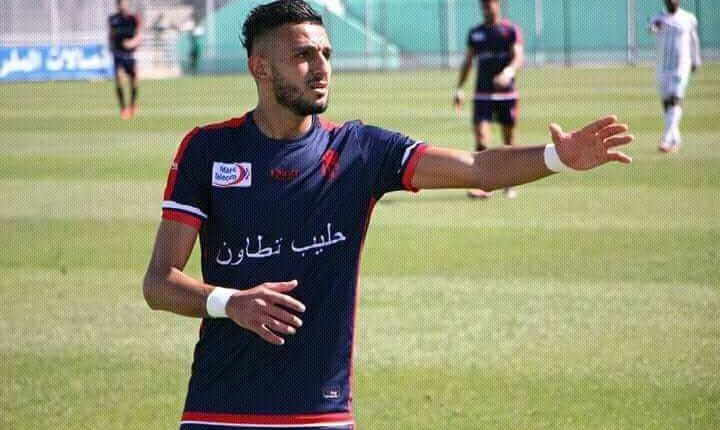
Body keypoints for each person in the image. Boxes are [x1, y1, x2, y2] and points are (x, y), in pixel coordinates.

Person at [142, 1, 633, 429]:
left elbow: (477, 168)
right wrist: (230, 302)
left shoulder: (359, 151)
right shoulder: (208, 150)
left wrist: (556, 157)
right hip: (219, 410)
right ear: (261, 68)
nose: (321, 68)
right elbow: (159, 282)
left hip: (320, 414)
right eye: (303, 55)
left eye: (326, 54)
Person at [453, 0, 524, 199]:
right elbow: (468, 62)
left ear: (498, 4)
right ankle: (483, 185)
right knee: (481, 139)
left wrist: (507, 73)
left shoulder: (510, 31)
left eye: (489, 3)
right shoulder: (475, 33)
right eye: (483, 4)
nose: (486, 7)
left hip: (506, 95)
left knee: (508, 142)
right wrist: (459, 88)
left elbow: (518, 57)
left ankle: (509, 183)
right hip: (482, 95)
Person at [650, 0, 701, 153]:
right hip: (662, 68)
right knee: (667, 104)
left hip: (681, 66)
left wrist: (695, 60)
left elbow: (693, 39)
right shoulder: (658, 17)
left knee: (674, 99)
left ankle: (666, 139)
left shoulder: (688, 18)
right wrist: (655, 27)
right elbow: (652, 28)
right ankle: (675, 139)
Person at [108, 0, 142, 120]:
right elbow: (111, 35)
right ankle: (123, 108)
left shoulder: (133, 18)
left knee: (134, 81)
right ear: (117, 5)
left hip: (130, 55)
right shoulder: (113, 19)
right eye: (121, 3)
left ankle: (132, 105)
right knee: (119, 78)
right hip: (118, 54)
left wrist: (132, 43)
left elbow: (139, 35)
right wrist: (111, 47)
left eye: (125, 3)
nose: (123, 5)